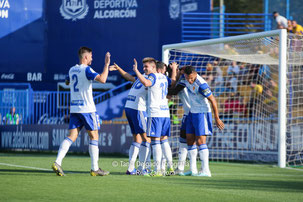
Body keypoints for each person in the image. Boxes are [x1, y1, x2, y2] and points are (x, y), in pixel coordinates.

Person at [52, 47, 111, 176]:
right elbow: (103, 79)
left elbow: (68, 82)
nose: (92, 58)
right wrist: (106, 65)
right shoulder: (87, 69)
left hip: (75, 108)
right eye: (90, 56)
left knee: (71, 136)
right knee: (94, 136)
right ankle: (95, 168)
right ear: (85, 57)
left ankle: (57, 162)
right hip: (87, 109)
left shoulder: (72, 69)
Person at [133, 57, 176, 176]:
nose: (144, 69)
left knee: (155, 141)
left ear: (154, 68)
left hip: (155, 113)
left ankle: (157, 170)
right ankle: (170, 167)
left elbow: (146, 83)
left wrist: (136, 71)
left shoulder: (153, 76)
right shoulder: (164, 77)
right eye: (143, 67)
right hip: (165, 113)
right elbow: (172, 81)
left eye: (146, 67)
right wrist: (174, 70)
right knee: (164, 140)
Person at [179, 65, 224, 177]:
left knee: (200, 141)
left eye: (191, 78)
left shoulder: (201, 85)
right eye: (187, 78)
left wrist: (217, 118)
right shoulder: (186, 79)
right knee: (189, 140)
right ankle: (193, 170)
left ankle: (206, 170)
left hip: (202, 113)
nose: (189, 81)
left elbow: (213, 100)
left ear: (194, 74)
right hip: (192, 112)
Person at [109, 60, 149, 176]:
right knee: (147, 138)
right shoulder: (148, 79)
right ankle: (143, 168)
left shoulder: (142, 78)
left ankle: (131, 168)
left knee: (138, 139)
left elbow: (129, 77)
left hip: (129, 108)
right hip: (138, 109)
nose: (145, 68)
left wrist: (119, 68)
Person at [168, 65, 191, 175]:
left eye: (177, 70)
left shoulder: (184, 81)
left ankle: (195, 168)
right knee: (183, 140)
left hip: (193, 114)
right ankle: (180, 168)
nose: (175, 72)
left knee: (192, 142)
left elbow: (173, 91)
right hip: (187, 114)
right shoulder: (182, 81)